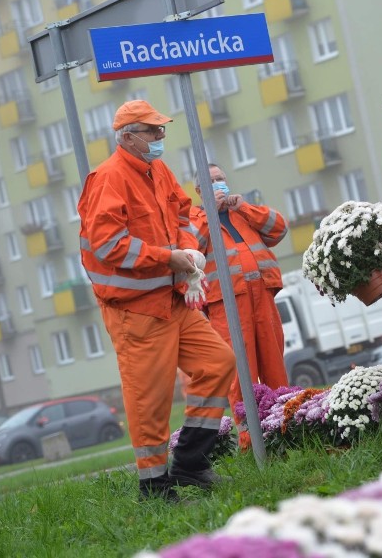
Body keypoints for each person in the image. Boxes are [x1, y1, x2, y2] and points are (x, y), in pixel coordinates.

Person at [78, 100, 236, 502]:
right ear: (128, 137)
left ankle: (189, 463)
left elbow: (183, 216)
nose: (161, 137)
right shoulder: (108, 178)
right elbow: (109, 245)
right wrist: (171, 258)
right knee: (151, 401)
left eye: (162, 130)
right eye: (153, 131)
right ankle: (154, 487)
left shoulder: (157, 170)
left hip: (171, 300)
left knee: (219, 364)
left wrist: (188, 251)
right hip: (135, 311)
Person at [189, 163, 290, 448]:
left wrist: (243, 207)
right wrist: (211, 213)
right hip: (227, 304)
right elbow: (190, 247)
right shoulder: (194, 219)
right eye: (211, 182)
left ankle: (286, 430)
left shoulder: (242, 211)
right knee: (241, 374)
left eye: (221, 178)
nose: (219, 184)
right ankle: (251, 441)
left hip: (262, 295)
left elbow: (279, 227)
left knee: (274, 365)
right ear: (199, 191)